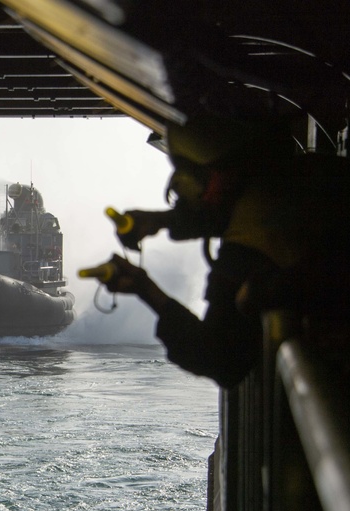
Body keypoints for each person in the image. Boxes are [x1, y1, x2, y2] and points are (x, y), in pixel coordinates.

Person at [85, 115, 349, 388]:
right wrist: (160, 221)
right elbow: (223, 208)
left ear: (229, 172)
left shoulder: (249, 247)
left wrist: (146, 289)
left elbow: (220, 358)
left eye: (199, 177)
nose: (192, 193)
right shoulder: (304, 178)